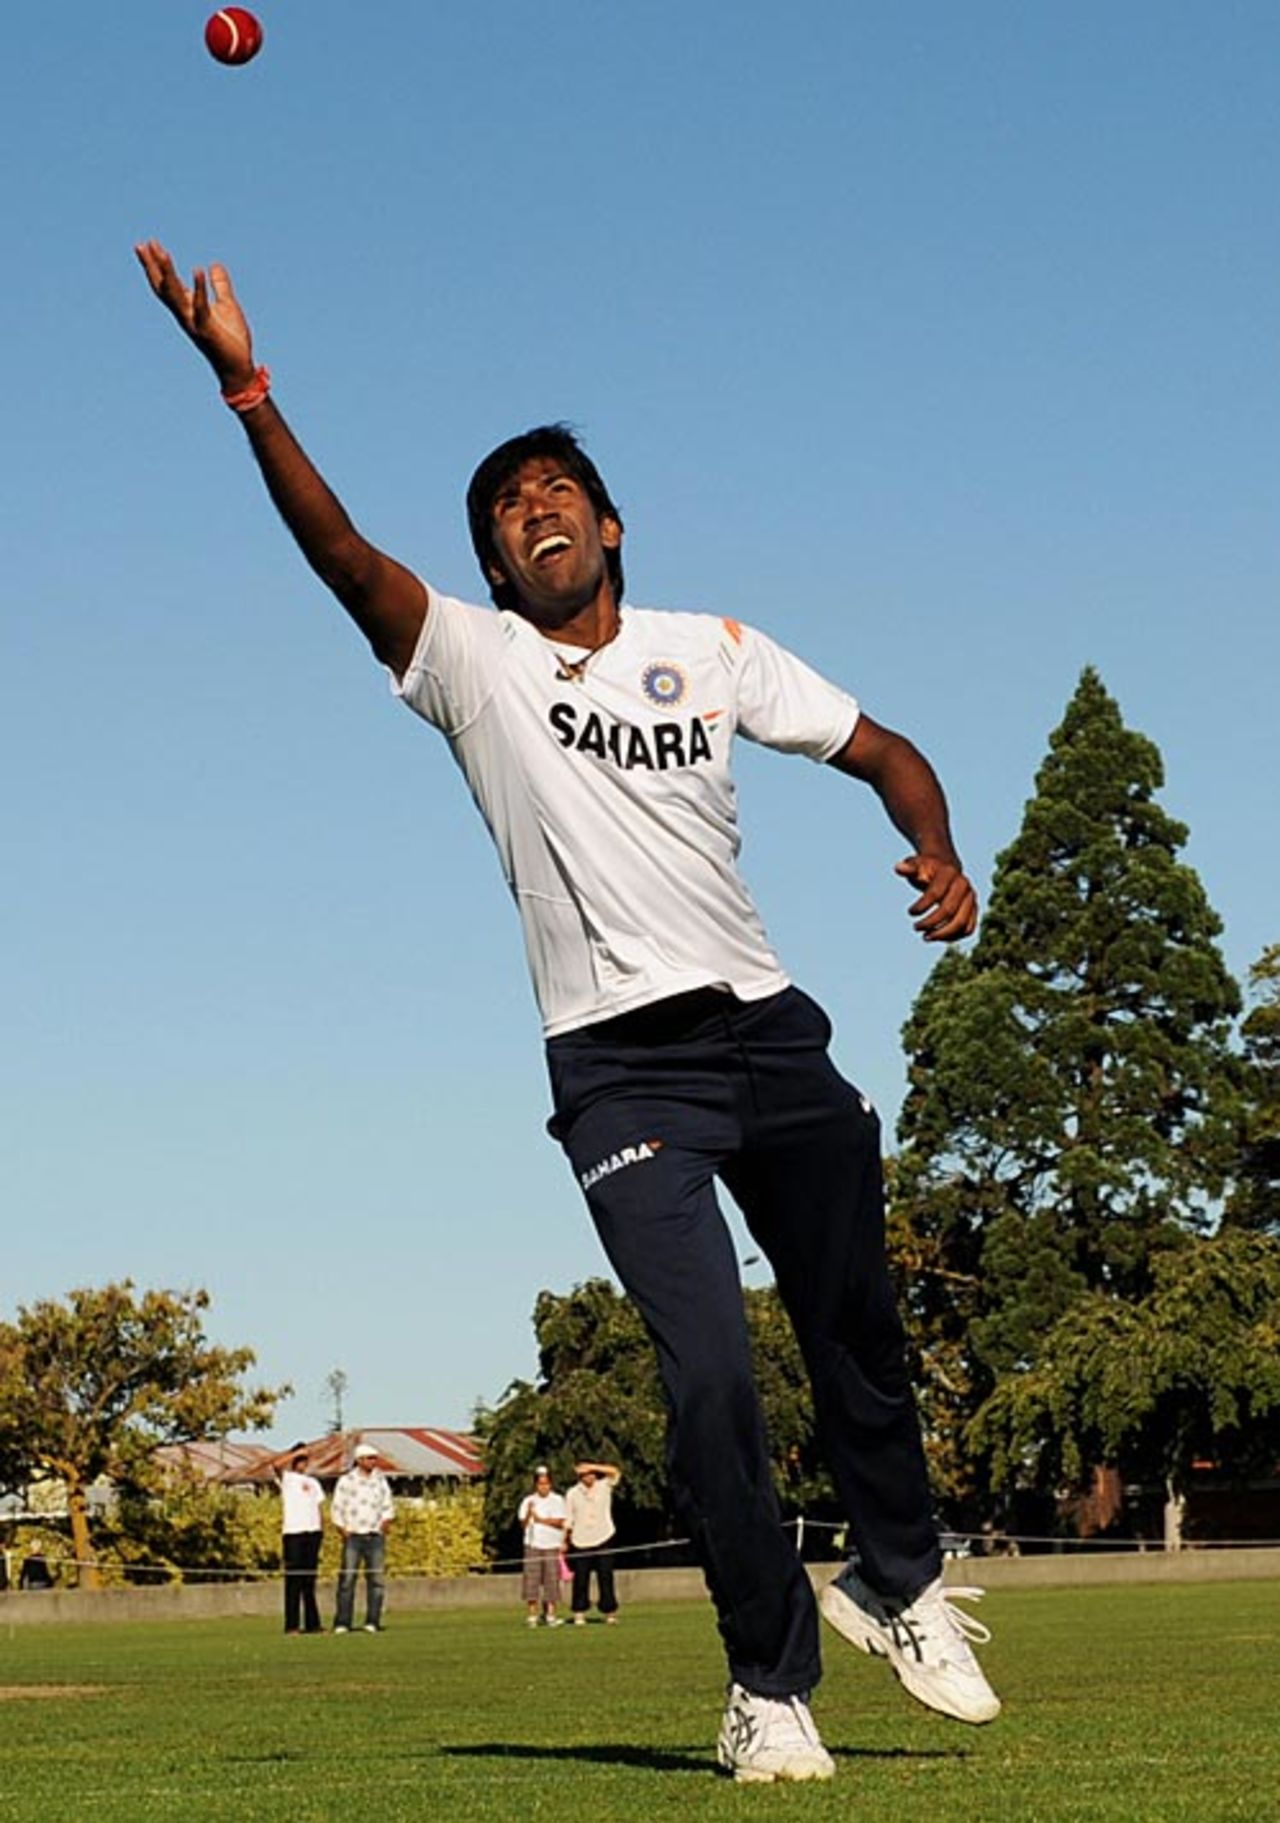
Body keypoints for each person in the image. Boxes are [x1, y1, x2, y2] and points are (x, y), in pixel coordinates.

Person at [135, 242, 1000, 1783]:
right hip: (622, 1067)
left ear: (609, 525)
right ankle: (768, 1684)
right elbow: (341, 554)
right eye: (503, 506)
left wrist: (937, 849)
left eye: (555, 489)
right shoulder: (475, 666)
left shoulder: (711, 650)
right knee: (713, 1372)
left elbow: (885, 750)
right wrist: (247, 388)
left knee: (858, 1323)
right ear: (491, 564)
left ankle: (897, 1576)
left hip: (768, 1027)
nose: (531, 507)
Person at [331, 1443, 394, 1633]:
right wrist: (342, 1528)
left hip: (374, 1535)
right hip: (354, 1535)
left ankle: (372, 1621)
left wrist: (385, 1523)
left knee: (376, 1580)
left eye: (375, 1458)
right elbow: (337, 1506)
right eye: (369, 1458)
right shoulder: (346, 1481)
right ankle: (343, 1622)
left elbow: (387, 1504)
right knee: (347, 1579)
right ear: (359, 1460)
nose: (373, 1462)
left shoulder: (380, 1480)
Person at [564, 1461, 621, 1625]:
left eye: (592, 1474)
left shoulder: (604, 1486)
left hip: (604, 1536)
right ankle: (579, 1611)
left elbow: (615, 1472)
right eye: (585, 1474)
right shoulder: (572, 1493)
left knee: (606, 1576)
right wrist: (564, 1540)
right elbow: (568, 1519)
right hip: (581, 1540)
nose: (589, 1477)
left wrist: (592, 1466)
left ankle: (609, 1611)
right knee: (581, 1578)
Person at [278, 1443, 325, 1635]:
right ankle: (292, 1625)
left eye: (305, 1459)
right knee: (293, 1581)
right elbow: (275, 1466)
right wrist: (295, 1453)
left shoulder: (313, 1482)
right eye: (299, 1459)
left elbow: (319, 1506)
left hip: (312, 1532)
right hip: (294, 1533)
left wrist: (321, 1530)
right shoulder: (287, 1479)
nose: (302, 1463)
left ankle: (313, 1624)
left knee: (309, 1581)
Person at [518, 1467, 568, 1628]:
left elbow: (561, 1521)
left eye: (546, 1484)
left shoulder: (558, 1500)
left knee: (552, 1580)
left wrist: (541, 1520)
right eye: (540, 1484)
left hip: (551, 1545)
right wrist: (529, 1513)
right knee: (531, 1580)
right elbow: (523, 1523)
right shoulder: (528, 1500)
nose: (543, 1487)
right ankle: (532, 1615)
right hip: (533, 1544)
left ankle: (551, 1614)